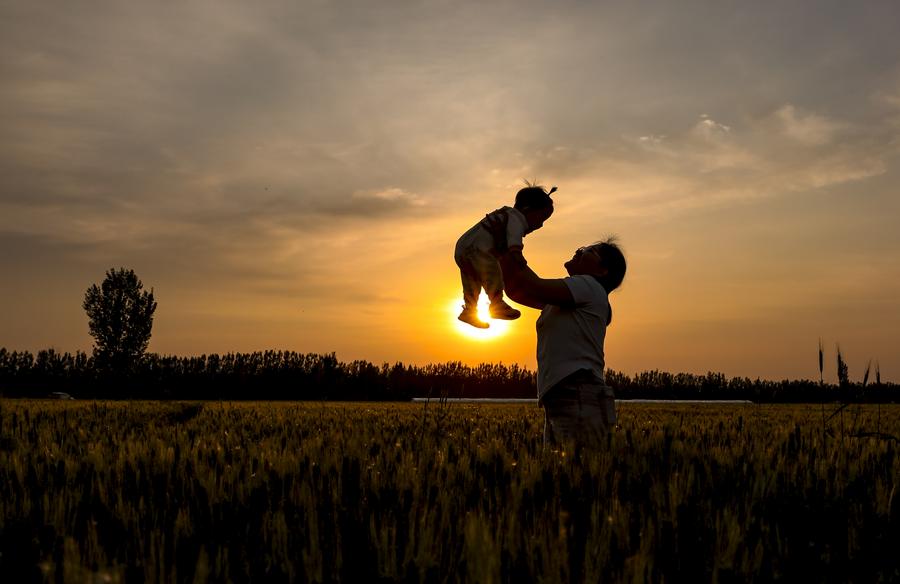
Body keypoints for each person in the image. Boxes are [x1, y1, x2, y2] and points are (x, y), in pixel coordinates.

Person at [485, 211, 626, 446]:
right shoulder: (575, 296)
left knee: (573, 470)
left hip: (576, 392)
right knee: (568, 470)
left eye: (588, 251)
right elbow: (518, 289)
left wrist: (508, 245)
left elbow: (532, 285)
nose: (579, 251)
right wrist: (503, 250)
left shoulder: (588, 286)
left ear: (603, 271)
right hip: (567, 394)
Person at [454, 184, 556, 328]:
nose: (540, 225)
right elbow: (514, 236)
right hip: (479, 250)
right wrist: (516, 253)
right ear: (527, 210)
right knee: (493, 273)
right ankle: (497, 304)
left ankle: (469, 310)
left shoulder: (504, 214)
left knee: (472, 281)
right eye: (541, 218)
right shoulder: (516, 218)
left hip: (462, 249)